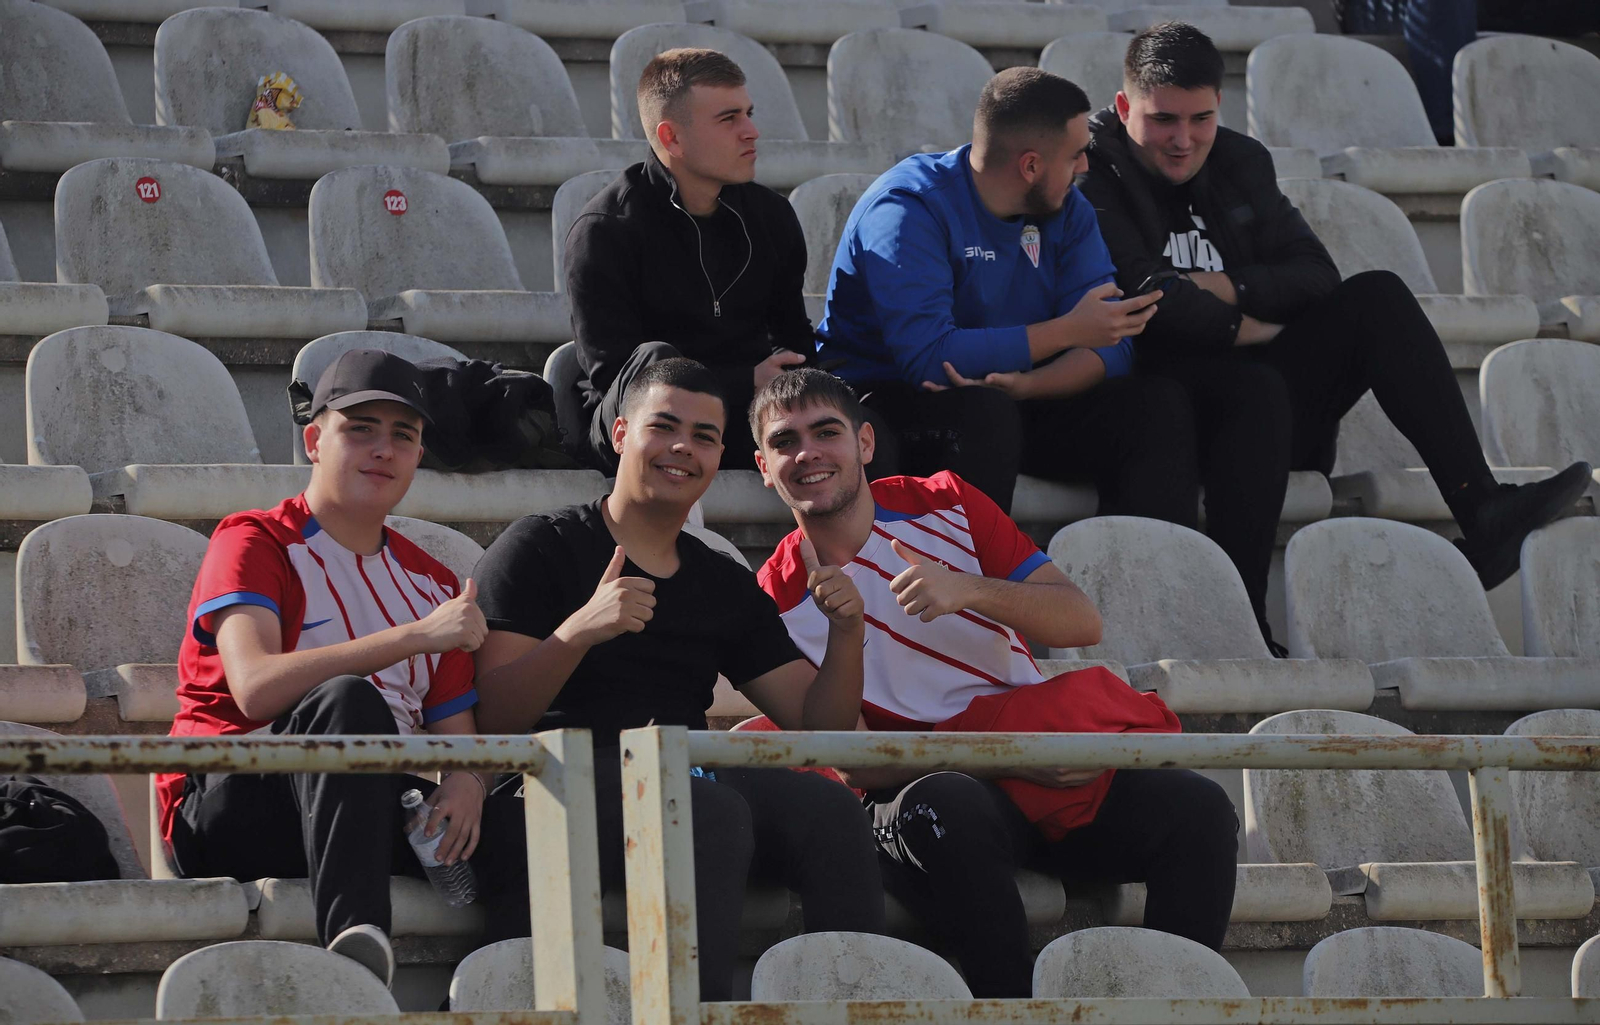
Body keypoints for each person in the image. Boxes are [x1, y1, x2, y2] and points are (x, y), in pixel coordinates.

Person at [1078, 21, 1591, 643]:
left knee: (1375, 296)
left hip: (1263, 401)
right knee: (1252, 389)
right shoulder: (1090, 169)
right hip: (1163, 412)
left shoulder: (1240, 161)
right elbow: (1145, 295)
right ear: (1126, 106)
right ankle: (1245, 623)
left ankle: (1481, 507)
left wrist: (1225, 287)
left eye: (1201, 120)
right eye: (1163, 121)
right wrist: (1250, 323)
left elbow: (1318, 276)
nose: (1184, 141)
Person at [750, 368, 1239, 998]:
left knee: (1199, 811)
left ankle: (1177, 1010)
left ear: (866, 443)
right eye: (785, 441)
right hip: (926, 790)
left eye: (826, 432)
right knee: (951, 804)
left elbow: (1079, 620)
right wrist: (1002, 757)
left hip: (1037, 771)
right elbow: (857, 765)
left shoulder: (946, 500)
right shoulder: (772, 594)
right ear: (763, 467)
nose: (808, 453)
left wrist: (970, 590)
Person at [470, 357, 886, 1000]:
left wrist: (847, 635)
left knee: (831, 811)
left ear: (722, 456)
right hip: (549, 788)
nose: (682, 449)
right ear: (619, 434)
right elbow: (493, 720)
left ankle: (853, 1011)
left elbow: (822, 730)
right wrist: (578, 632)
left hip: (676, 780)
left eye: (704, 436)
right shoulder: (541, 545)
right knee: (701, 809)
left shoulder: (719, 577)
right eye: (664, 427)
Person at [159, 350, 527, 986]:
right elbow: (254, 689)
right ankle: (355, 955)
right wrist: (413, 637)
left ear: (417, 458)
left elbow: (457, 736)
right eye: (360, 428)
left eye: (404, 436)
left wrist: (467, 779)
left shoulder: (432, 580)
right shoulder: (254, 540)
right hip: (234, 801)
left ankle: (503, 997)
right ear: (313, 440)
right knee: (349, 703)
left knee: (529, 828)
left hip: (374, 803)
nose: (383, 449)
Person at [815, 66, 1179, 514]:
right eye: (1076, 155)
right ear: (1030, 165)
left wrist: (1029, 386)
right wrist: (1066, 332)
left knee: (1154, 405)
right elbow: (927, 358)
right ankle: (980, 583)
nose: (1086, 166)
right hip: (892, 405)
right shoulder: (909, 207)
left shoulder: (1067, 207)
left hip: (1010, 401)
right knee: (985, 415)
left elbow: (1111, 345)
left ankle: (1139, 577)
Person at [564, 47, 818, 475]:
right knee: (656, 363)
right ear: (672, 138)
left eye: (748, 113)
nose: (751, 131)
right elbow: (619, 378)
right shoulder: (605, 230)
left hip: (743, 414)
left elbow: (791, 339)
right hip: (637, 428)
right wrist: (743, 381)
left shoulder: (772, 217)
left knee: (853, 421)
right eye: (729, 118)